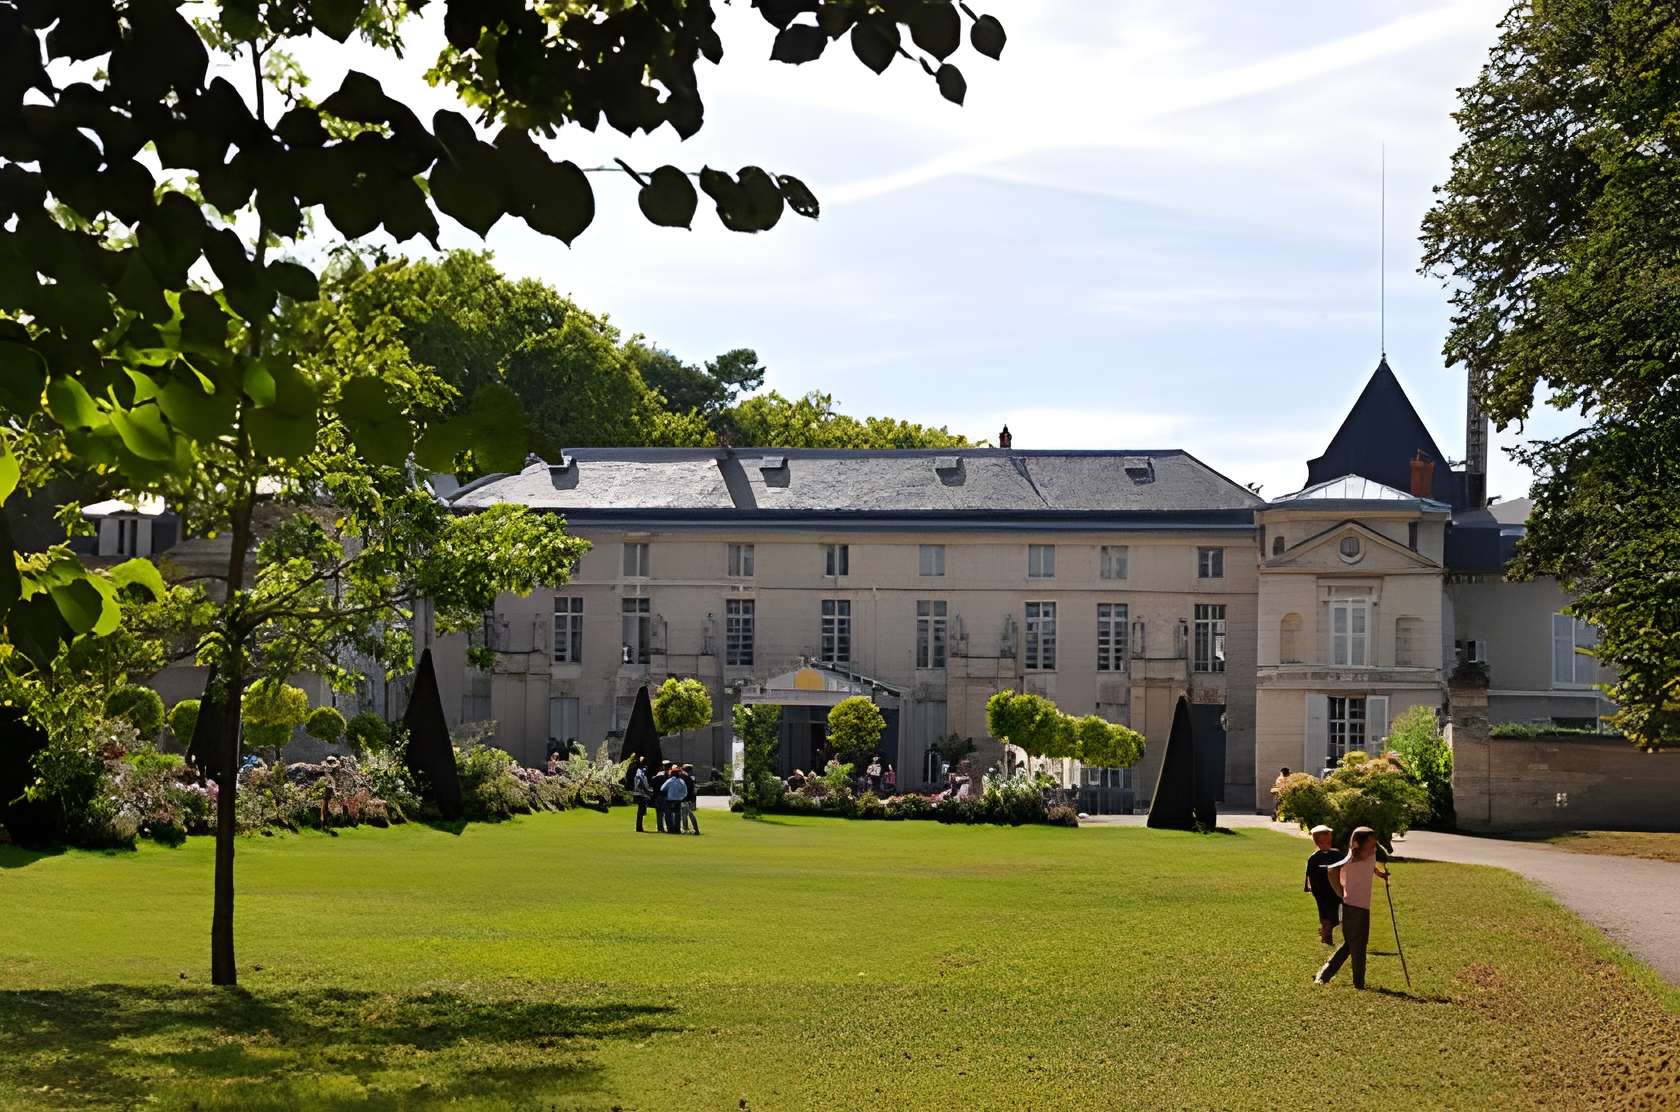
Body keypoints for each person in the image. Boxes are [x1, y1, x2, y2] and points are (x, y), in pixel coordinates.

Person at [1315, 826, 1389, 989]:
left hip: (1362, 907)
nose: (1374, 848)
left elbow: (1371, 865)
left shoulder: (1370, 855)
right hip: (1353, 907)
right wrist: (1340, 892)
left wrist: (1379, 873)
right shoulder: (1351, 859)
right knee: (1358, 945)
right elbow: (1331, 870)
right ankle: (1358, 983)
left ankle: (1326, 975)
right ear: (1357, 845)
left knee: (1351, 944)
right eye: (1370, 845)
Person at [1304, 824, 1342, 945]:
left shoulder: (1314, 858)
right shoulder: (1337, 855)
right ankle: (1326, 935)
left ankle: (1326, 933)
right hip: (1331, 891)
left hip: (1325, 892)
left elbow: (1310, 876)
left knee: (1326, 914)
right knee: (1329, 915)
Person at [660, 763, 689, 835]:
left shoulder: (669, 781)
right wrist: (681, 797)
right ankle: (677, 829)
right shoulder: (682, 782)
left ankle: (670, 829)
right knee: (678, 816)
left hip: (670, 800)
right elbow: (685, 792)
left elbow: (662, 789)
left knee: (668, 815)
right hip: (678, 800)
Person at [679, 763, 700, 835]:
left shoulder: (684, 777)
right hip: (690, 799)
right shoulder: (691, 778)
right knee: (690, 814)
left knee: (685, 814)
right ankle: (695, 829)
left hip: (685, 798)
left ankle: (686, 829)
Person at [650, 762, 672, 833]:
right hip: (666, 796)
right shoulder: (671, 775)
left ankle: (660, 828)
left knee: (659, 813)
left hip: (658, 796)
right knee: (667, 813)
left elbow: (652, 783)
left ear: (663, 766)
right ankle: (669, 828)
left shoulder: (659, 774)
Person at [631, 760, 652, 833]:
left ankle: (639, 827)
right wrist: (647, 790)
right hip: (641, 794)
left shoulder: (641, 771)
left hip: (641, 793)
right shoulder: (640, 772)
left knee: (642, 811)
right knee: (641, 811)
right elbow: (640, 780)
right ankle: (639, 827)